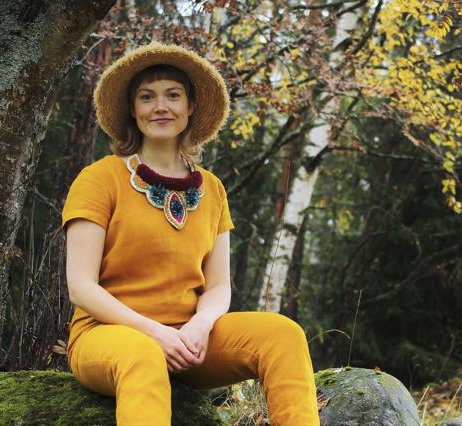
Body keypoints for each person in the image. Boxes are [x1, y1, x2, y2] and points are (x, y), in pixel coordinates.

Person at [62, 42, 320, 425]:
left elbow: (218, 287)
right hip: (108, 336)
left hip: (189, 341)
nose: (160, 107)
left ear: (191, 106)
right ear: (133, 110)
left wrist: (199, 327)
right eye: (147, 97)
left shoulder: (213, 189)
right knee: (143, 353)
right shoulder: (101, 178)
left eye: (173, 95)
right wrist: (155, 333)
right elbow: (81, 287)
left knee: (283, 334)